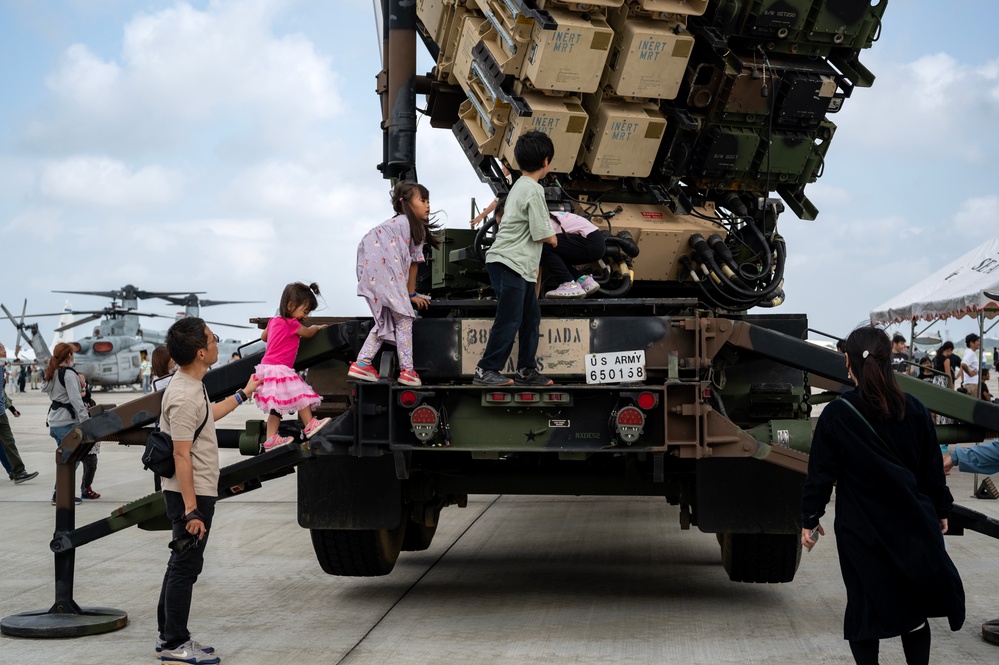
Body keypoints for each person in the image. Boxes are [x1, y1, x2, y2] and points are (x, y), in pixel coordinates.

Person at [800, 326, 965, 665]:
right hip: (912, 525)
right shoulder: (915, 409)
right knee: (913, 608)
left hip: (860, 530)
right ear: (891, 362)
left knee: (864, 609)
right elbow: (932, 469)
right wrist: (941, 510)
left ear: (848, 363)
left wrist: (809, 519)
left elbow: (820, 474)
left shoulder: (837, 414)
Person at [156, 317, 261, 664]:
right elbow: (181, 454)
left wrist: (244, 393)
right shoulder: (184, 395)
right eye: (213, 338)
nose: (218, 342)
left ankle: (168, 635)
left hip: (195, 490)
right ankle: (175, 643)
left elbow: (208, 416)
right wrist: (191, 511)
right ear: (201, 352)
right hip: (192, 493)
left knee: (181, 564)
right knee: (186, 567)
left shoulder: (191, 382)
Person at [473, 130, 558, 387]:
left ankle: (526, 369)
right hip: (509, 262)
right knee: (510, 317)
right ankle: (486, 369)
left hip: (516, 265)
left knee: (530, 317)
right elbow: (542, 232)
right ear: (546, 161)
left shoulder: (519, 186)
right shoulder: (533, 190)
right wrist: (555, 238)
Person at [349, 180, 441, 388]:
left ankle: (363, 362)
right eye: (423, 200)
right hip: (386, 269)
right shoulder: (414, 228)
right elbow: (414, 266)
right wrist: (411, 295)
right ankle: (407, 370)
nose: (428, 205)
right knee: (405, 318)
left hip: (369, 268)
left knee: (388, 318)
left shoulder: (393, 224)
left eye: (428, 201)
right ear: (407, 203)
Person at [253, 282, 331, 451]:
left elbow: (264, 337)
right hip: (280, 369)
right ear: (290, 306)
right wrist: (316, 327)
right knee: (300, 394)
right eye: (304, 311)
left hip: (267, 369)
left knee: (276, 408)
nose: (305, 316)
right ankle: (309, 424)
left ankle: (271, 439)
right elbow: (309, 334)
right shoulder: (292, 324)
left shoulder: (274, 321)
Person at [42, 342, 88, 505]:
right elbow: (76, 400)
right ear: (69, 356)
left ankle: (59, 493)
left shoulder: (52, 372)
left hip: (55, 422)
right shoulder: (68, 374)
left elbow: (44, 388)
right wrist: (86, 421)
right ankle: (60, 494)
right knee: (71, 460)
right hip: (66, 423)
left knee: (66, 459)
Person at [540, 210, 606, 298]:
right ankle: (583, 280)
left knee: (542, 246)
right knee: (554, 256)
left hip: (589, 241)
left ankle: (568, 283)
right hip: (595, 243)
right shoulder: (544, 216)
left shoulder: (540, 222)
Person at [0, 342, 39, 485]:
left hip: (1, 414)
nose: (4, 350)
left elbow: (1, 393)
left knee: (8, 443)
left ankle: (17, 472)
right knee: (6, 443)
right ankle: (16, 471)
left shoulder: (2, 368)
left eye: (4, 347)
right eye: (1, 348)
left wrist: (11, 408)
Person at [77, 372, 100, 500]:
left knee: (92, 464)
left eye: (84, 383)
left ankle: (86, 487)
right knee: (89, 463)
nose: (83, 386)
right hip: (80, 437)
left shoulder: (90, 401)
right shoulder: (73, 401)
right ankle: (85, 488)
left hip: (91, 437)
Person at [960, 333, 981, 398]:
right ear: (971, 343)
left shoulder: (968, 352)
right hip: (973, 384)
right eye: (977, 341)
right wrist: (969, 373)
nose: (979, 343)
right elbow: (963, 364)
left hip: (970, 383)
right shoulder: (971, 354)